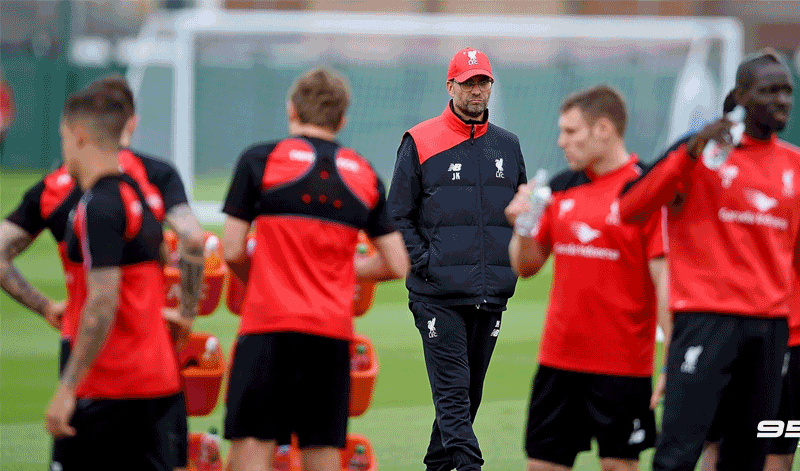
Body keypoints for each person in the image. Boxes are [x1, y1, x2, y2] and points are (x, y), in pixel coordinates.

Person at [617, 49, 800, 471]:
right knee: (678, 454)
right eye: (769, 91)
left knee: (748, 459)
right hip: (705, 322)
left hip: (770, 331)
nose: (782, 100)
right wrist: (688, 153)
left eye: (787, 91)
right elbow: (630, 207)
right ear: (740, 96)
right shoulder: (699, 153)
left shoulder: (798, 166)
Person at [0, 75, 204, 471]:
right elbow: (191, 241)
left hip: (100, 371)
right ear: (130, 122)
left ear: (78, 134)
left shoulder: (87, 200)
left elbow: (102, 301)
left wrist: (46, 311)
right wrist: (187, 312)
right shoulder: (146, 188)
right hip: (158, 369)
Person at [220, 67, 409, 471]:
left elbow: (232, 248)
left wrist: (264, 279)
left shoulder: (260, 160)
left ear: (291, 109)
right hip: (330, 336)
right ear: (341, 120)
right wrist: (336, 269)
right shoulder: (364, 174)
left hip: (267, 327)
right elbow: (397, 264)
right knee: (321, 452)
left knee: (252, 448)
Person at [505, 85, 669, 471]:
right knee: (541, 466)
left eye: (571, 131)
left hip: (622, 368)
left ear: (604, 129)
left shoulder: (645, 190)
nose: (561, 142)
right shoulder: (560, 187)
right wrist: (523, 227)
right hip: (558, 362)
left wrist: (671, 362)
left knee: (617, 466)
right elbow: (525, 268)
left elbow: (667, 284)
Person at [698, 94, 800, 471]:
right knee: (718, 448)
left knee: (772, 453)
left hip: (786, 337)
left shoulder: (796, 168)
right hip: (721, 333)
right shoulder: (702, 168)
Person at [387, 47, 527, 471]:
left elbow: (521, 211)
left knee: (468, 398)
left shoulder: (508, 145)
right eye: (467, 83)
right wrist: (426, 263)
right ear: (450, 86)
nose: (476, 90)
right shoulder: (419, 140)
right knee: (453, 395)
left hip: (491, 293)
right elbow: (397, 215)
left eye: (483, 82)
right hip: (437, 295)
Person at [43, 79, 183, 469]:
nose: (64, 150)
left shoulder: (96, 206)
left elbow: (103, 303)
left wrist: (67, 389)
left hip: (109, 386)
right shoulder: (142, 196)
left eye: (64, 139)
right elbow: (179, 249)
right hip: (158, 381)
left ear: (78, 135)